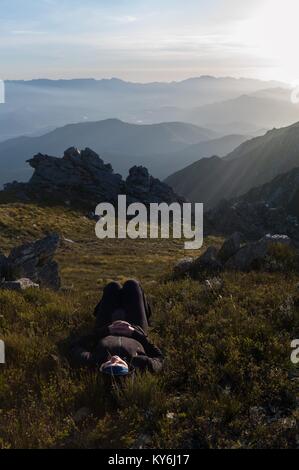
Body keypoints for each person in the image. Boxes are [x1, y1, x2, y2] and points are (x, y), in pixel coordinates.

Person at [70, 280, 163, 376]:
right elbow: (159, 357)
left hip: (106, 325)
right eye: (119, 366)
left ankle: (99, 311)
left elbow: (75, 346)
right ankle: (146, 312)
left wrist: (107, 330)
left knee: (113, 286)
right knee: (132, 285)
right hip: (135, 325)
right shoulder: (142, 364)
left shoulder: (93, 361)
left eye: (109, 365)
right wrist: (134, 333)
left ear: (102, 367)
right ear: (128, 369)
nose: (114, 360)